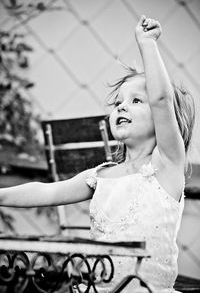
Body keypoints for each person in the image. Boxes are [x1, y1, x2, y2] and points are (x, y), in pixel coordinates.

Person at [0, 15, 195, 292]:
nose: (121, 107)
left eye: (137, 100)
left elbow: (162, 100)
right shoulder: (100, 176)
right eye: (117, 102)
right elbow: (47, 192)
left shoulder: (166, 167)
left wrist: (147, 43)